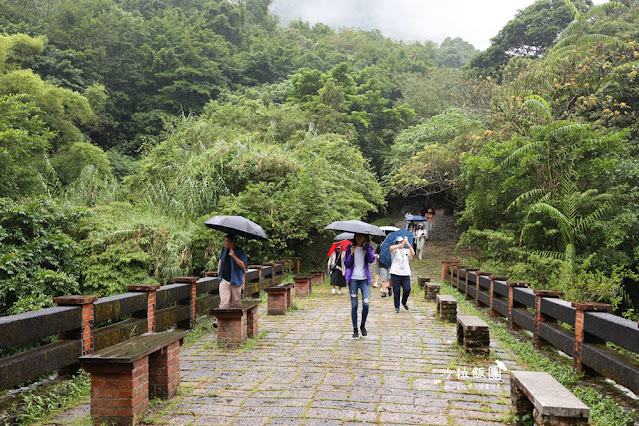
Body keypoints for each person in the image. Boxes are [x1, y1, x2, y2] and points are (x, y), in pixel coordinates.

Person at [344, 233, 376, 339]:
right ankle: (355, 329)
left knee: (366, 304)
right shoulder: (349, 248)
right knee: (354, 305)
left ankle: (362, 325)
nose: (359, 237)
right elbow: (347, 264)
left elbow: (372, 260)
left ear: (365, 237)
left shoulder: (368, 248)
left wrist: (367, 248)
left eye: (362, 236)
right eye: (357, 235)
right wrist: (351, 254)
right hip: (353, 279)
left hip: (364, 279)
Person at [217, 234, 248, 305]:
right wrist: (218, 269)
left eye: (227, 241)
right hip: (224, 279)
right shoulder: (224, 250)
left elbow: (243, 265)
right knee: (224, 302)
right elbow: (221, 259)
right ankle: (224, 316)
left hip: (236, 281)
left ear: (232, 242)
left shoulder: (240, 251)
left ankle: (233, 316)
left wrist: (234, 256)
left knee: (235, 304)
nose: (225, 243)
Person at [389, 235, 415, 313]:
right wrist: (400, 244)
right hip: (395, 273)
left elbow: (413, 253)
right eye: (399, 242)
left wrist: (408, 244)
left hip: (405, 273)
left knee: (407, 289)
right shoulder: (395, 250)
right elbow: (391, 248)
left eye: (401, 241)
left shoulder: (406, 250)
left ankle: (404, 301)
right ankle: (397, 306)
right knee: (396, 290)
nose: (401, 243)